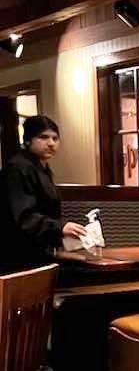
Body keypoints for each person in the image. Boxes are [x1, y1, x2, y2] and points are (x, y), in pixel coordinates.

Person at [0, 114, 84, 273]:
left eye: (55, 138)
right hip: (19, 257)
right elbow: (24, 217)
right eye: (43, 137)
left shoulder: (40, 168)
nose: (51, 143)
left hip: (37, 253)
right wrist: (60, 227)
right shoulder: (18, 169)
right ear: (28, 140)